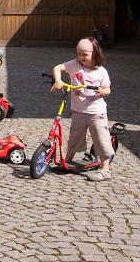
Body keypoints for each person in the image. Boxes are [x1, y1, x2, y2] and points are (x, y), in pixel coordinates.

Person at [51, 37, 113, 182]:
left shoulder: (101, 71)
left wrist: (103, 91)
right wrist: (58, 80)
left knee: (101, 138)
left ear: (95, 53)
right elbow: (57, 68)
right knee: (74, 137)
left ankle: (105, 169)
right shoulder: (75, 65)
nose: (81, 57)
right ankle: (67, 161)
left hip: (96, 112)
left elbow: (108, 88)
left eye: (85, 54)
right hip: (78, 111)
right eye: (78, 53)